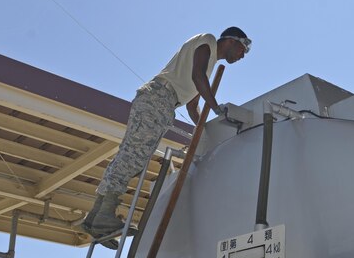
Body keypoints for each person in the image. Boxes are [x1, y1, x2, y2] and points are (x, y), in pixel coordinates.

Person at [81, 27, 251, 245]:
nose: (242, 55)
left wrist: (207, 129)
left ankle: (96, 217)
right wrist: (218, 110)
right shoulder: (207, 41)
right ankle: (105, 215)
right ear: (230, 41)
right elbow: (197, 76)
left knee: (131, 154)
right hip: (159, 97)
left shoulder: (208, 68)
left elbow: (192, 107)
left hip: (162, 101)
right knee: (134, 155)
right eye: (242, 48)